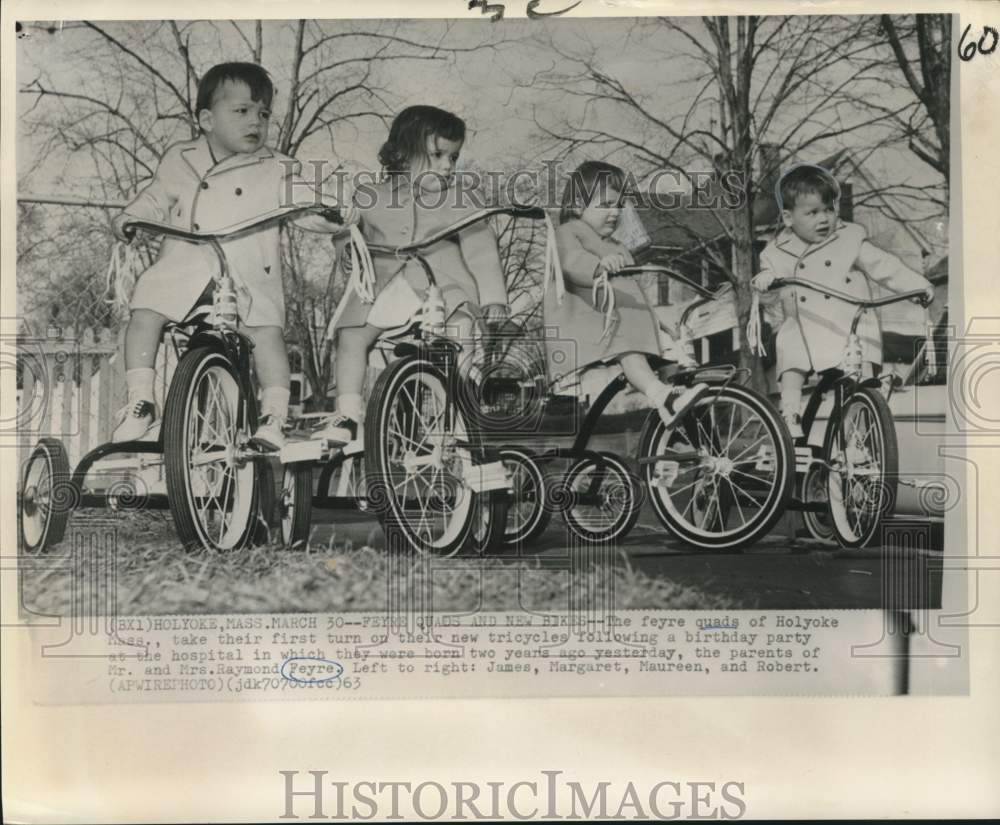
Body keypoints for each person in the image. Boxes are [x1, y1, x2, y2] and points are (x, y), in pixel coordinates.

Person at [111, 61, 354, 449]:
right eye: (240, 111)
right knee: (144, 313)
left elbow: (308, 199)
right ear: (207, 119)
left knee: (266, 335)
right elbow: (156, 197)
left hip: (246, 270)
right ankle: (141, 400)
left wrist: (330, 210)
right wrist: (132, 218)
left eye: (262, 114)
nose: (254, 122)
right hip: (185, 264)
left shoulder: (276, 167)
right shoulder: (182, 157)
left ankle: (274, 414)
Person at [320, 104, 510, 443]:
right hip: (386, 286)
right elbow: (346, 228)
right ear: (402, 154)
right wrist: (345, 247)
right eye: (437, 155)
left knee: (458, 339)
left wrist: (494, 297)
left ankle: (456, 415)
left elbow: (481, 249)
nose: (447, 166)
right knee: (350, 335)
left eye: (453, 158)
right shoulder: (370, 195)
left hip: (443, 288)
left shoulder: (460, 197)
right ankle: (347, 414)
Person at [751, 164, 935, 439]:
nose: (824, 219)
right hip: (807, 324)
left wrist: (918, 285)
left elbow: (885, 266)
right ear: (788, 218)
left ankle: (853, 439)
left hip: (850, 325)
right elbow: (768, 295)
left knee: (859, 382)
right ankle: (790, 410)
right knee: (790, 348)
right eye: (812, 213)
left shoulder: (849, 238)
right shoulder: (777, 251)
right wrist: (765, 281)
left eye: (829, 209)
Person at [544, 160, 707, 427]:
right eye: (606, 204)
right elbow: (571, 262)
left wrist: (660, 324)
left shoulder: (617, 246)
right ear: (577, 205)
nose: (615, 212)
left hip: (620, 319)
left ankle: (675, 426)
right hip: (591, 321)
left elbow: (635, 295)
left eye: (619, 205)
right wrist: (598, 266)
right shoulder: (567, 233)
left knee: (669, 352)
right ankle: (661, 396)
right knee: (629, 350)